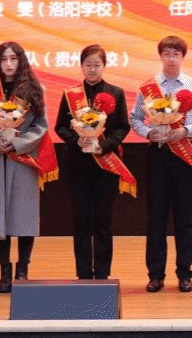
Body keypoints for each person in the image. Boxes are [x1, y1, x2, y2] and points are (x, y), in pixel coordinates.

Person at [130, 35, 192, 293]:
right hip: (157, 155)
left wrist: (185, 131)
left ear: (182, 57)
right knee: (156, 218)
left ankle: (185, 274)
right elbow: (135, 119)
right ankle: (155, 275)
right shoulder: (149, 88)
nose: (170, 59)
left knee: (185, 219)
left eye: (175, 54)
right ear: (160, 56)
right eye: (166, 54)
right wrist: (148, 132)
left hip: (184, 157)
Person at [0, 41, 57, 293]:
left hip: (23, 159)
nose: (8, 64)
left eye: (13, 58)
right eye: (3, 59)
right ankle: (4, 273)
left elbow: (41, 127)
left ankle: (22, 271)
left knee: (24, 215)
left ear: (21, 61)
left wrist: (17, 142)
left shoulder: (35, 90)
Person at [54, 44, 133, 280]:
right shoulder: (70, 95)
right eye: (88, 64)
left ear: (104, 66)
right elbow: (60, 126)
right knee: (81, 221)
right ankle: (83, 274)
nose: (92, 69)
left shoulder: (115, 93)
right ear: (81, 66)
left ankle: (102, 273)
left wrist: (103, 145)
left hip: (106, 165)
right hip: (77, 165)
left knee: (102, 221)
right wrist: (76, 140)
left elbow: (122, 127)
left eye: (97, 65)